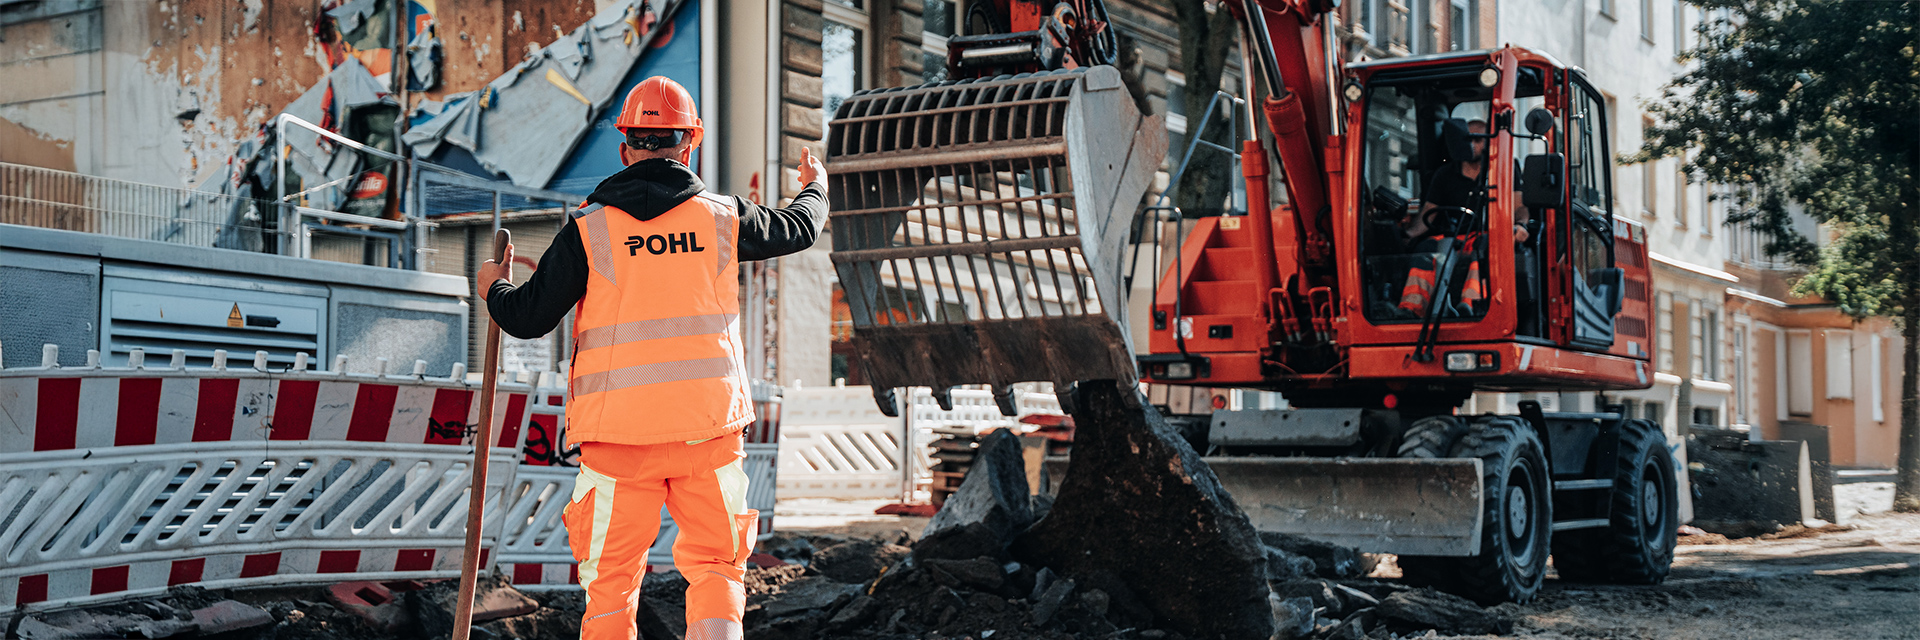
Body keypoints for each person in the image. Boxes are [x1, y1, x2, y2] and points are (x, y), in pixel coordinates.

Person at [474, 75, 827, 640]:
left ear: (625, 148)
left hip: (617, 439)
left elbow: (527, 318)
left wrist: (493, 285)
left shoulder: (588, 229)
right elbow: (801, 227)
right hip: (706, 432)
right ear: (690, 144)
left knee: (611, 583)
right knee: (716, 566)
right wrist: (816, 185)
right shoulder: (722, 218)